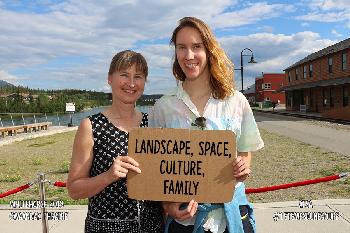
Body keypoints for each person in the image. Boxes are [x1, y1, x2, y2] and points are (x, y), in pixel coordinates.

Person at [149, 17, 264, 233]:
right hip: (183, 223)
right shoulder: (162, 107)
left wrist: (243, 166)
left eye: (196, 47)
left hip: (232, 217)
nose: (189, 55)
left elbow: (245, 151)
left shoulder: (236, 100)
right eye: (181, 47)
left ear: (209, 50)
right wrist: (167, 205)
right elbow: (155, 166)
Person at [67, 50, 163, 233]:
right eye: (124, 75)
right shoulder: (91, 126)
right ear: (110, 78)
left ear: (144, 83)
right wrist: (108, 176)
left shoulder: (153, 123)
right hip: (105, 228)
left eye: (138, 76)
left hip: (152, 226)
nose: (131, 83)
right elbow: (74, 189)